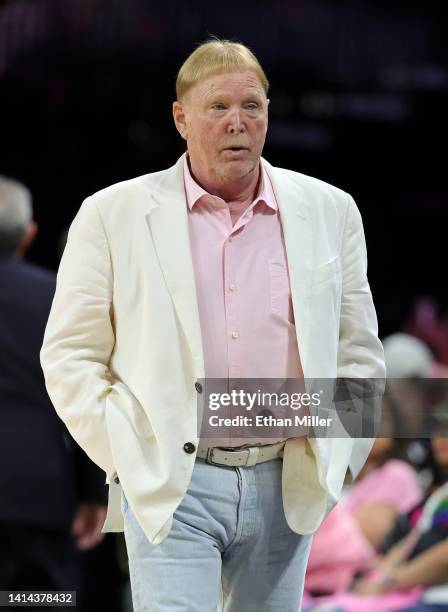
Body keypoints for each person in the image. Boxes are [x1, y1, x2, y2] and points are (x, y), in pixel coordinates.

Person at [40, 39, 385, 611]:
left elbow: (358, 351)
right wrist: (130, 449)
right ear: (180, 117)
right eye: (218, 107)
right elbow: (70, 355)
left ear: (268, 115)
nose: (237, 123)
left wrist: (340, 455)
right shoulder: (112, 213)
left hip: (288, 476)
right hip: (176, 481)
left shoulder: (332, 210)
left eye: (251, 106)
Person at [0, 176, 107, 605]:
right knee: (41, 601)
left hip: (40, 495)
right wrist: (94, 491)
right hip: (41, 492)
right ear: (28, 235)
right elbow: (82, 397)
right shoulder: (57, 299)